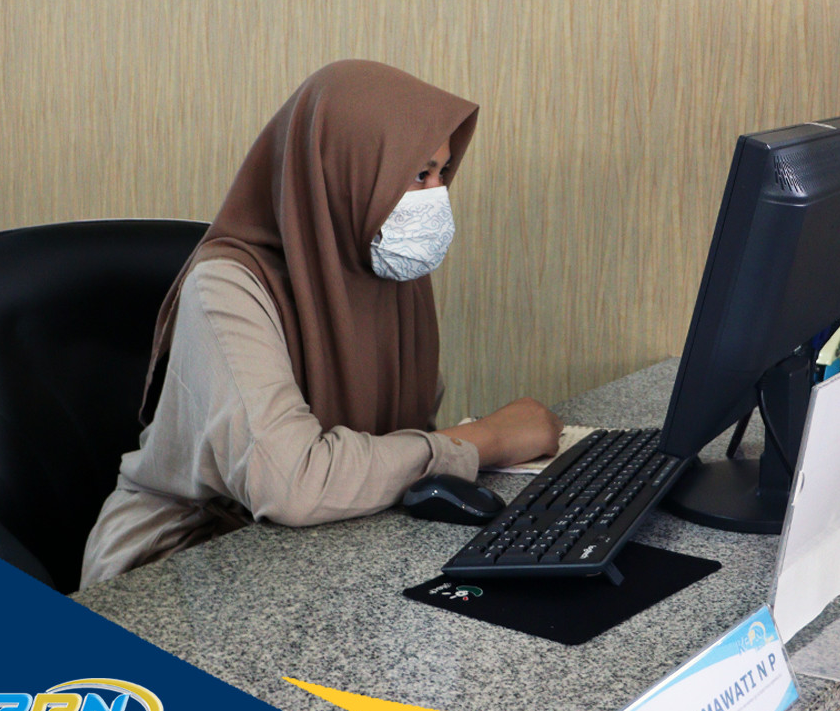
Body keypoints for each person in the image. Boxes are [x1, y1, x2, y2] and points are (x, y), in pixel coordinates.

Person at [80, 60, 562, 588]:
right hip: (176, 567)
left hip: (321, 548)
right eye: (417, 174)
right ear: (345, 174)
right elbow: (291, 482)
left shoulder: (386, 270)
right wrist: (485, 440)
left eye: (442, 174)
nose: (435, 195)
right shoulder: (224, 287)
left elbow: (397, 442)